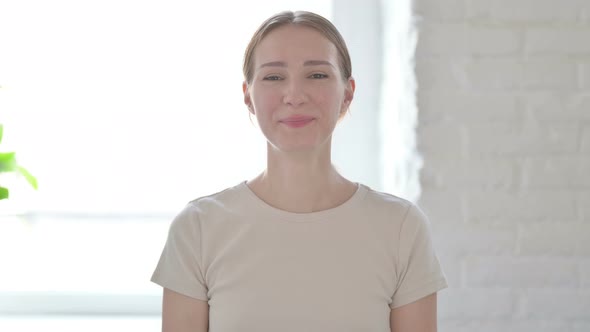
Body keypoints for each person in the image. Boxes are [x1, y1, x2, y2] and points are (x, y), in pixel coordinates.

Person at [151, 10, 447, 332]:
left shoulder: (401, 228)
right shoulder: (198, 229)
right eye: (274, 77)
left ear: (347, 94)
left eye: (317, 75)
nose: (294, 96)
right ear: (248, 97)